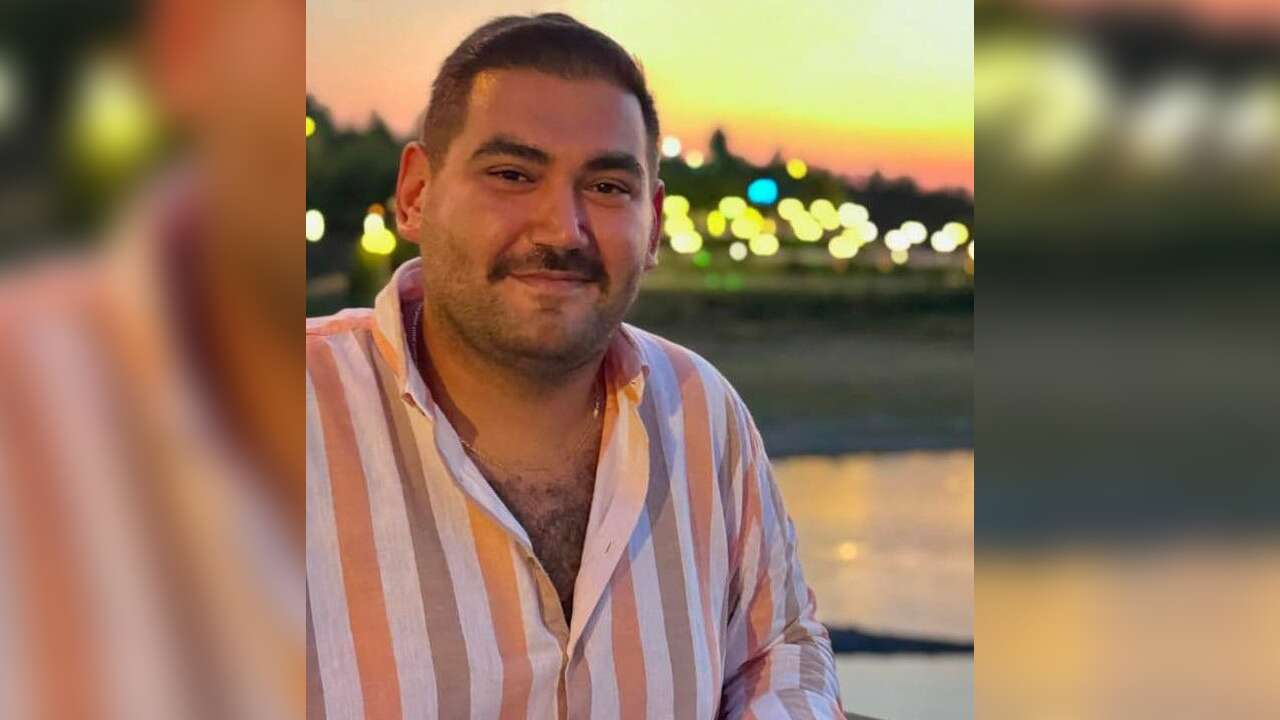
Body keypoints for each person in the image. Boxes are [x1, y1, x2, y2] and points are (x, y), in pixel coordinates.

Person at [306, 13, 844, 719]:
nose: (563, 229)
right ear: (416, 195)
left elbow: (778, 650)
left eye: (608, 187)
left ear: (652, 223)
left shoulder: (699, 410)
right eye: (512, 175)